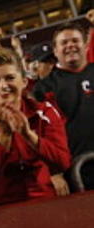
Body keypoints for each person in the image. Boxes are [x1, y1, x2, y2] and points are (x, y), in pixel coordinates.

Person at [0, 48, 71, 206]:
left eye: (10, 78)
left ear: (24, 81)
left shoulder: (45, 111)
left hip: (43, 199)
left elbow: (63, 162)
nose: (3, 85)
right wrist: (5, 137)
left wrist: (28, 135)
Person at [33, 22, 94, 190]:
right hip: (77, 173)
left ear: (86, 45)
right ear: (55, 50)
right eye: (64, 43)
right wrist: (53, 172)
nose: (70, 46)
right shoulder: (44, 88)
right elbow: (40, 134)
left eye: (75, 40)